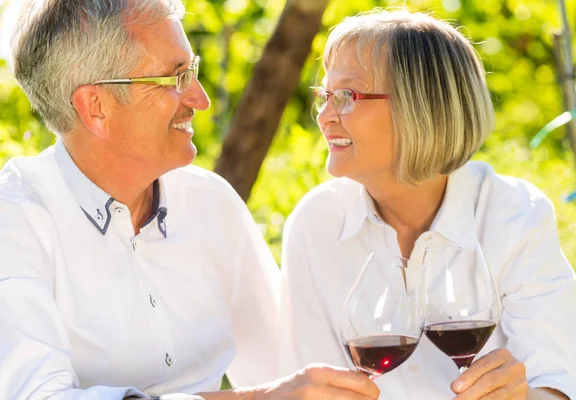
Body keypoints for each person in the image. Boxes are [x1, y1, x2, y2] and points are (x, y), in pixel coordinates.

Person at [0, 1, 381, 399]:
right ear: (96, 107)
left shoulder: (209, 203)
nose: (201, 99)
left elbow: (292, 367)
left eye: (192, 71)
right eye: (175, 78)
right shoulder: (14, 220)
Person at [278, 8, 576, 400]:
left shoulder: (514, 214)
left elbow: (560, 382)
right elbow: (315, 387)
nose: (325, 116)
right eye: (325, 95)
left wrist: (524, 396)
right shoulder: (316, 223)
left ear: (421, 106)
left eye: (346, 96)